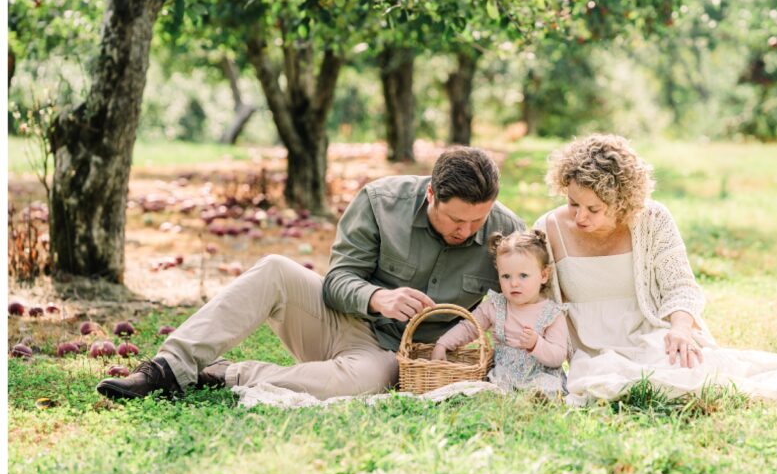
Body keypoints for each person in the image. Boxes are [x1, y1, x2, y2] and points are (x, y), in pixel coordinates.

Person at [96, 146, 524, 401]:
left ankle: (223, 375)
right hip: (340, 321)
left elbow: (525, 301)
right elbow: (337, 283)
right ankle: (166, 369)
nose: (466, 231)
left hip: (393, 359)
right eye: (455, 220)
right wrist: (378, 298)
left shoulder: (506, 232)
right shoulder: (380, 201)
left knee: (367, 381)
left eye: (477, 221)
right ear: (431, 193)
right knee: (275, 270)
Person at [534, 134, 777, 405]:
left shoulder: (652, 219)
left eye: (593, 209)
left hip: (652, 336)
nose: (580, 216)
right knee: (604, 384)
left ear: (621, 203)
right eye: (573, 203)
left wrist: (679, 329)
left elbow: (680, 286)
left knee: (695, 378)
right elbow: (532, 297)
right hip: (591, 353)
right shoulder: (548, 229)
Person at [431, 229, 568, 397]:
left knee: (546, 385)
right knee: (493, 388)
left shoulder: (551, 313)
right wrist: (443, 344)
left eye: (523, 276)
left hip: (540, 373)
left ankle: (538, 398)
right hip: (505, 374)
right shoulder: (496, 306)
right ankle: (505, 396)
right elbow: (469, 327)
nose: (514, 283)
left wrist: (536, 344)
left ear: (543, 275)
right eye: (506, 276)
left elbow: (558, 357)